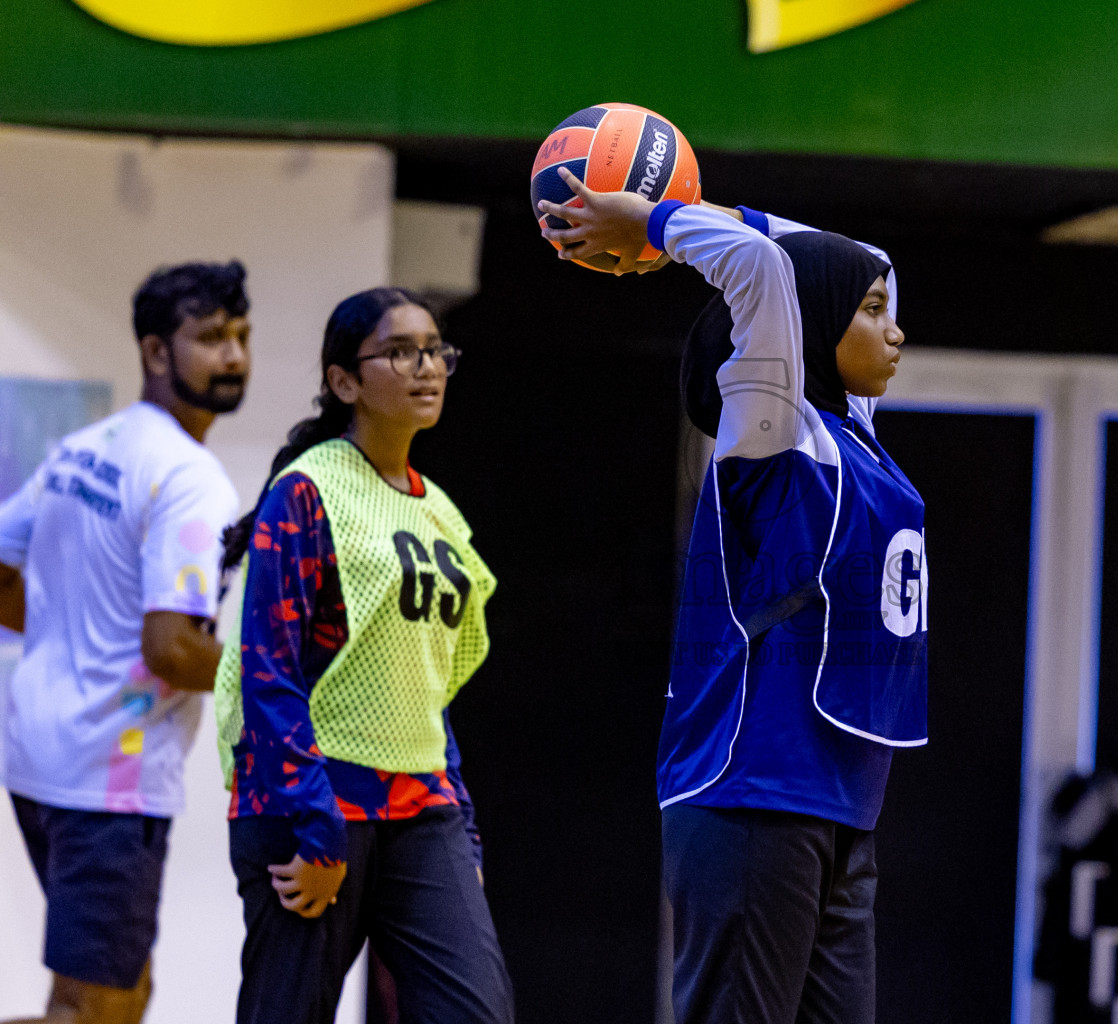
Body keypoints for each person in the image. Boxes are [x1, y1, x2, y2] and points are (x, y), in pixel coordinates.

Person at [539, 173, 928, 1024]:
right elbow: (757, 267)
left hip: (842, 807)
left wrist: (699, 221)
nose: (895, 326)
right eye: (868, 310)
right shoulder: (775, 435)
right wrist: (651, 223)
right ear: (813, 330)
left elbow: (867, 258)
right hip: (754, 790)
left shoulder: (856, 433)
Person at [214, 287, 513, 1024]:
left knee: (477, 1011)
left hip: (420, 804)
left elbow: (428, 686)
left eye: (436, 350)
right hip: (310, 796)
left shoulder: (441, 512)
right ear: (344, 381)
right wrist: (314, 825)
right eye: (402, 351)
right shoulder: (308, 493)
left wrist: (463, 823)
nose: (427, 367)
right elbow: (268, 671)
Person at [0, 261, 251, 1024]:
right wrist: (275, 678)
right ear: (154, 351)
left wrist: (72, 632)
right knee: (95, 1008)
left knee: (125, 991)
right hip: (108, 774)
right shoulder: (191, 477)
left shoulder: (86, 448)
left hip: (41, 756)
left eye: (240, 336)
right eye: (209, 338)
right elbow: (172, 649)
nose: (234, 356)